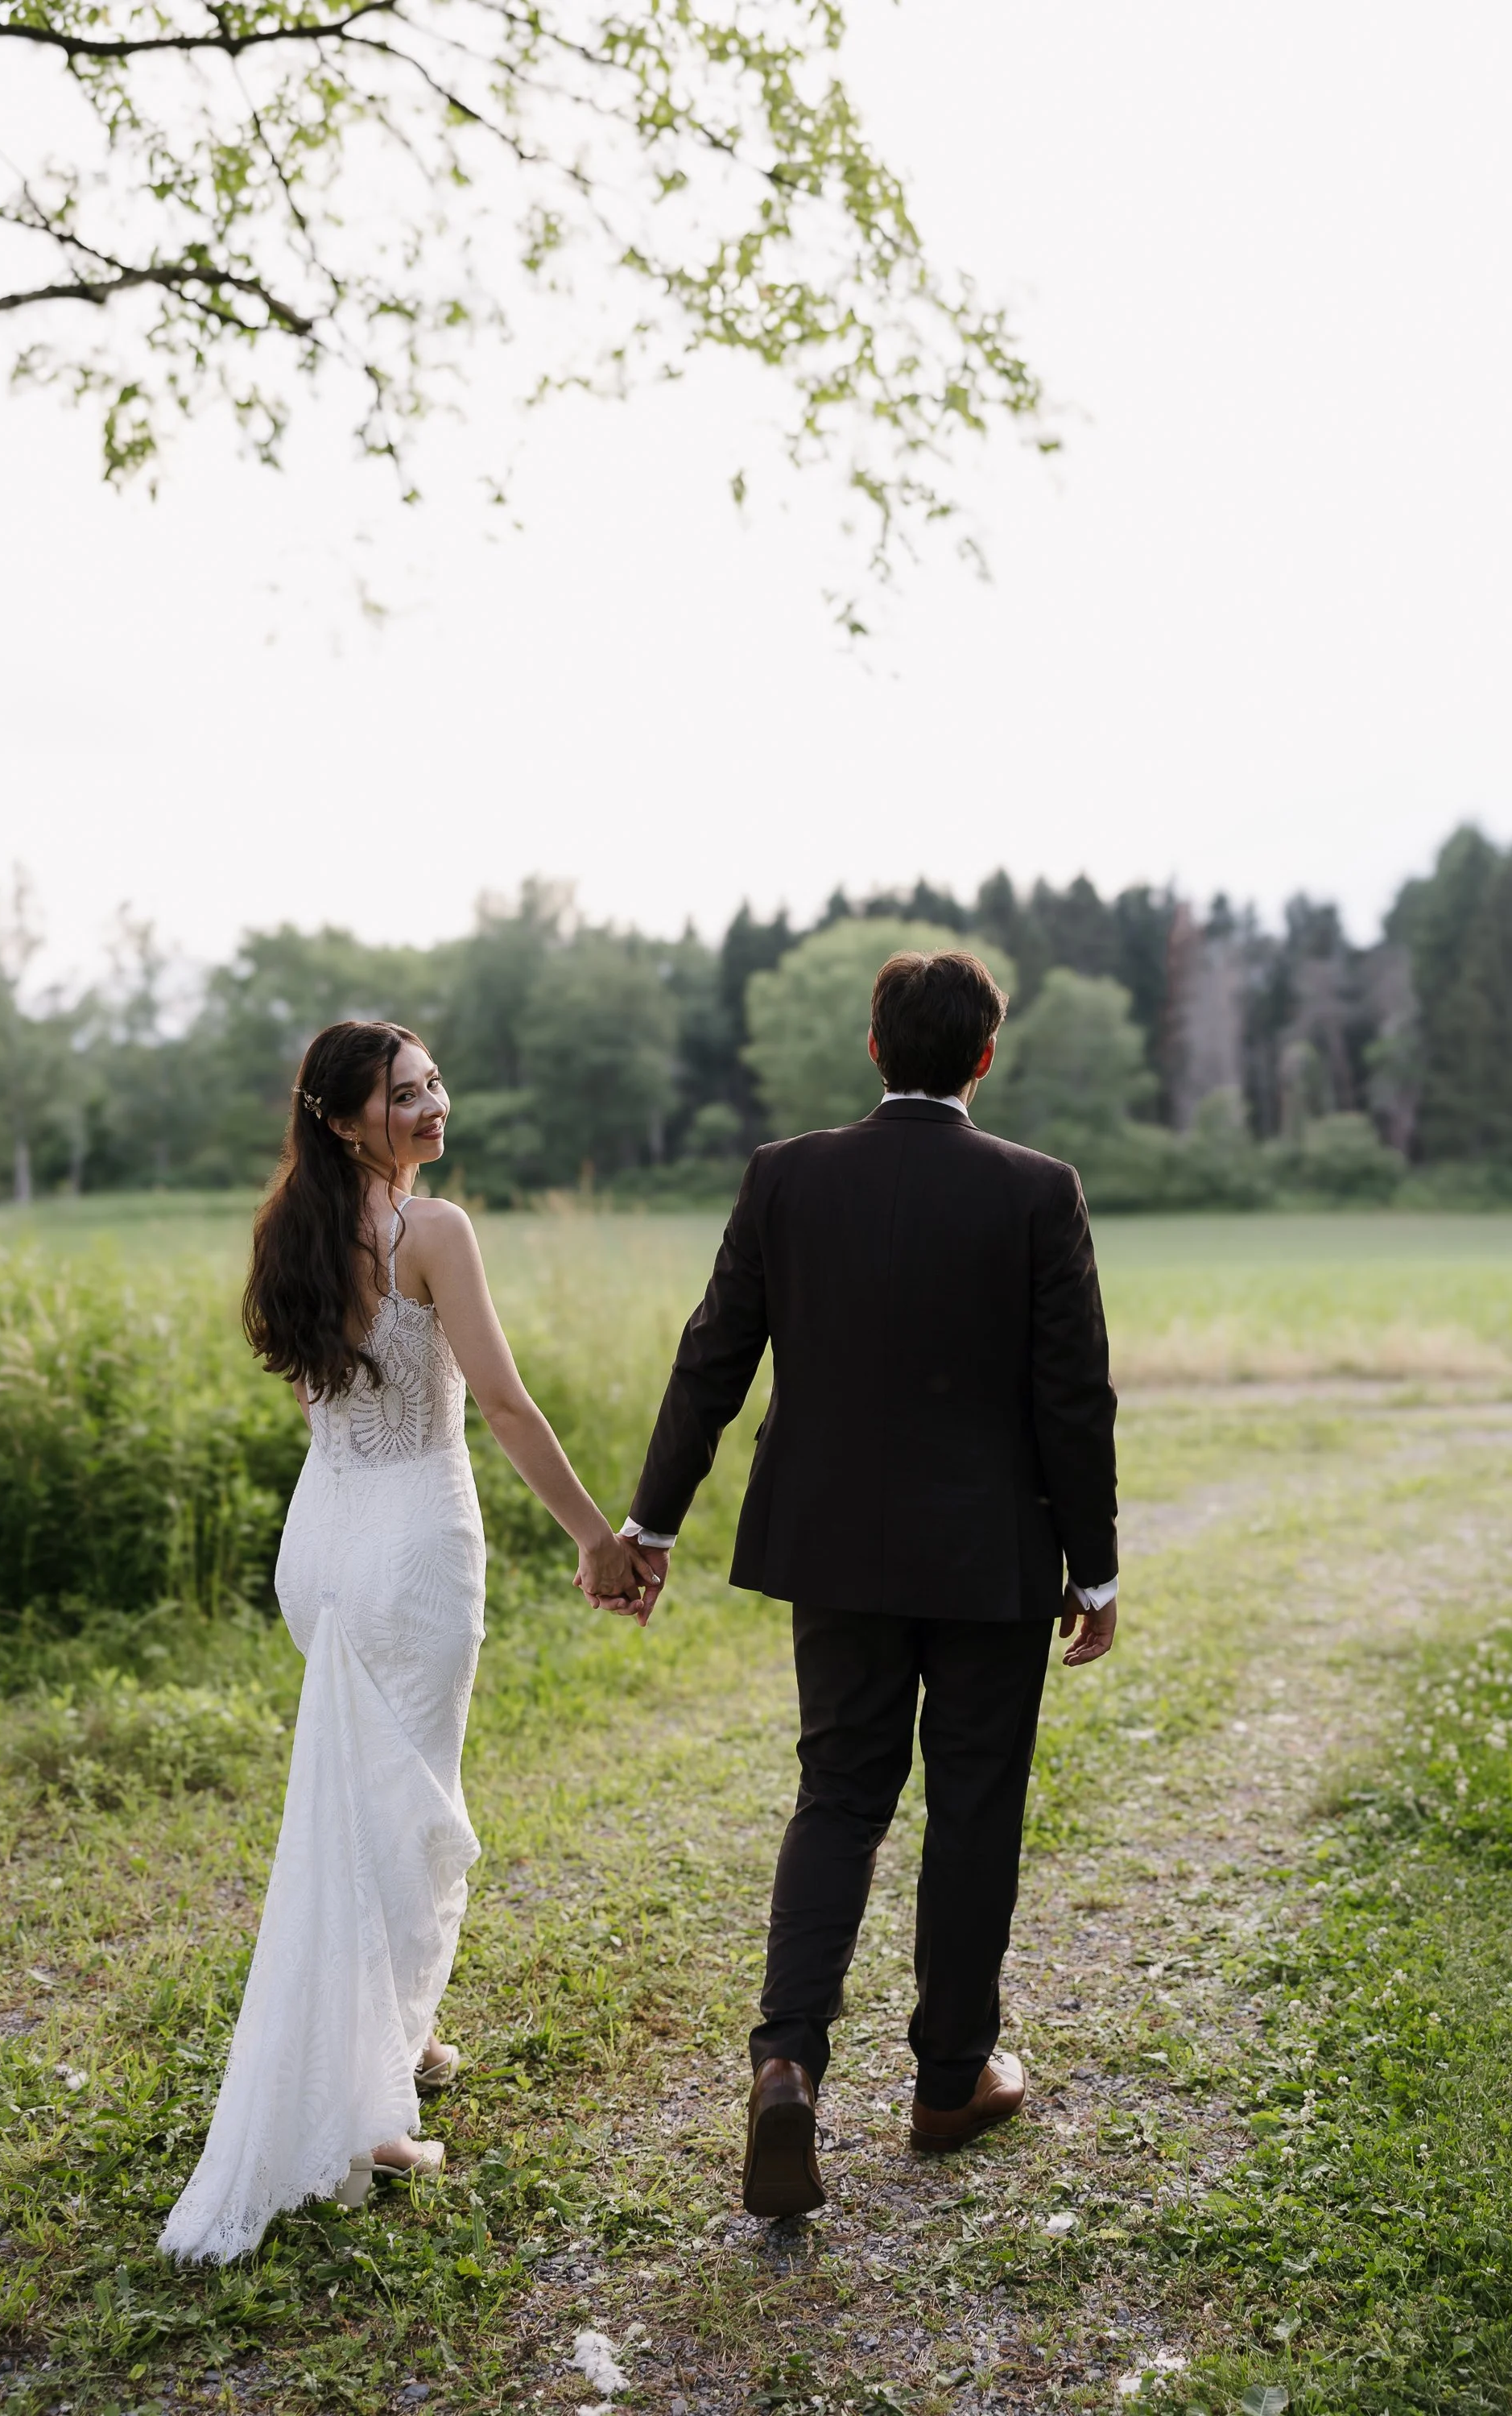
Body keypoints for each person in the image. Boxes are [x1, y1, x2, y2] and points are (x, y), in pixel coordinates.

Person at [619, 949, 1119, 2217]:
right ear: (984, 1058)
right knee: (973, 1807)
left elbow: (712, 1358)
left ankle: (787, 2059)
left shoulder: (786, 1178)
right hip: (995, 1556)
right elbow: (1073, 1397)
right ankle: (950, 2081)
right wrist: (1098, 1567)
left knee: (839, 1796)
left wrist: (650, 1521)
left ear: (873, 1046)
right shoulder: (1036, 1192)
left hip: (835, 1550)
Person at [160, 1020, 651, 2263]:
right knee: (410, 1811)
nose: (432, 1108)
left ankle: (408, 2035)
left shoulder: (293, 1228)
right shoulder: (434, 1233)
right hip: (414, 1551)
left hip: (318, 1544)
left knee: (370, 1797)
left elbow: (330, 1397)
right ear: (342, 1118)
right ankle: (374, 2115)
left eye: (434, 1084)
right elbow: (500, 1402)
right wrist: (600, 1539)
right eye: (401, 1096)